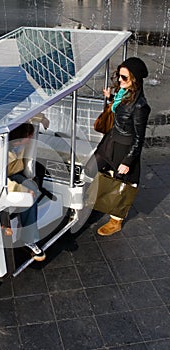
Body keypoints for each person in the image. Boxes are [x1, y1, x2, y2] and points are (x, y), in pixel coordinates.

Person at [87, 57, 151, 236]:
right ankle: (100, 196)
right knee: (91, 168)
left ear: (135, 80)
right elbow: (121, 107)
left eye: (124, 78)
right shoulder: (123, 94)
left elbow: (139, 137)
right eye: (119, 76)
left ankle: (116, 220)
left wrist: (128, 160)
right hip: (111, 140)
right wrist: (111, 97)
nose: (119, 81)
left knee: (123, 182)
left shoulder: (140, 107)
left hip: (125, 146)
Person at [7, 114, 49, 261]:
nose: (31, 138)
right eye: (29, 136)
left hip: (14, 173)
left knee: (32, 187)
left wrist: (43, 119)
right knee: (28, 195)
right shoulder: (0, 151)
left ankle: (29, 238)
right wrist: (22, 190)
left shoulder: (20, 142)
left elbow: (32, 115)